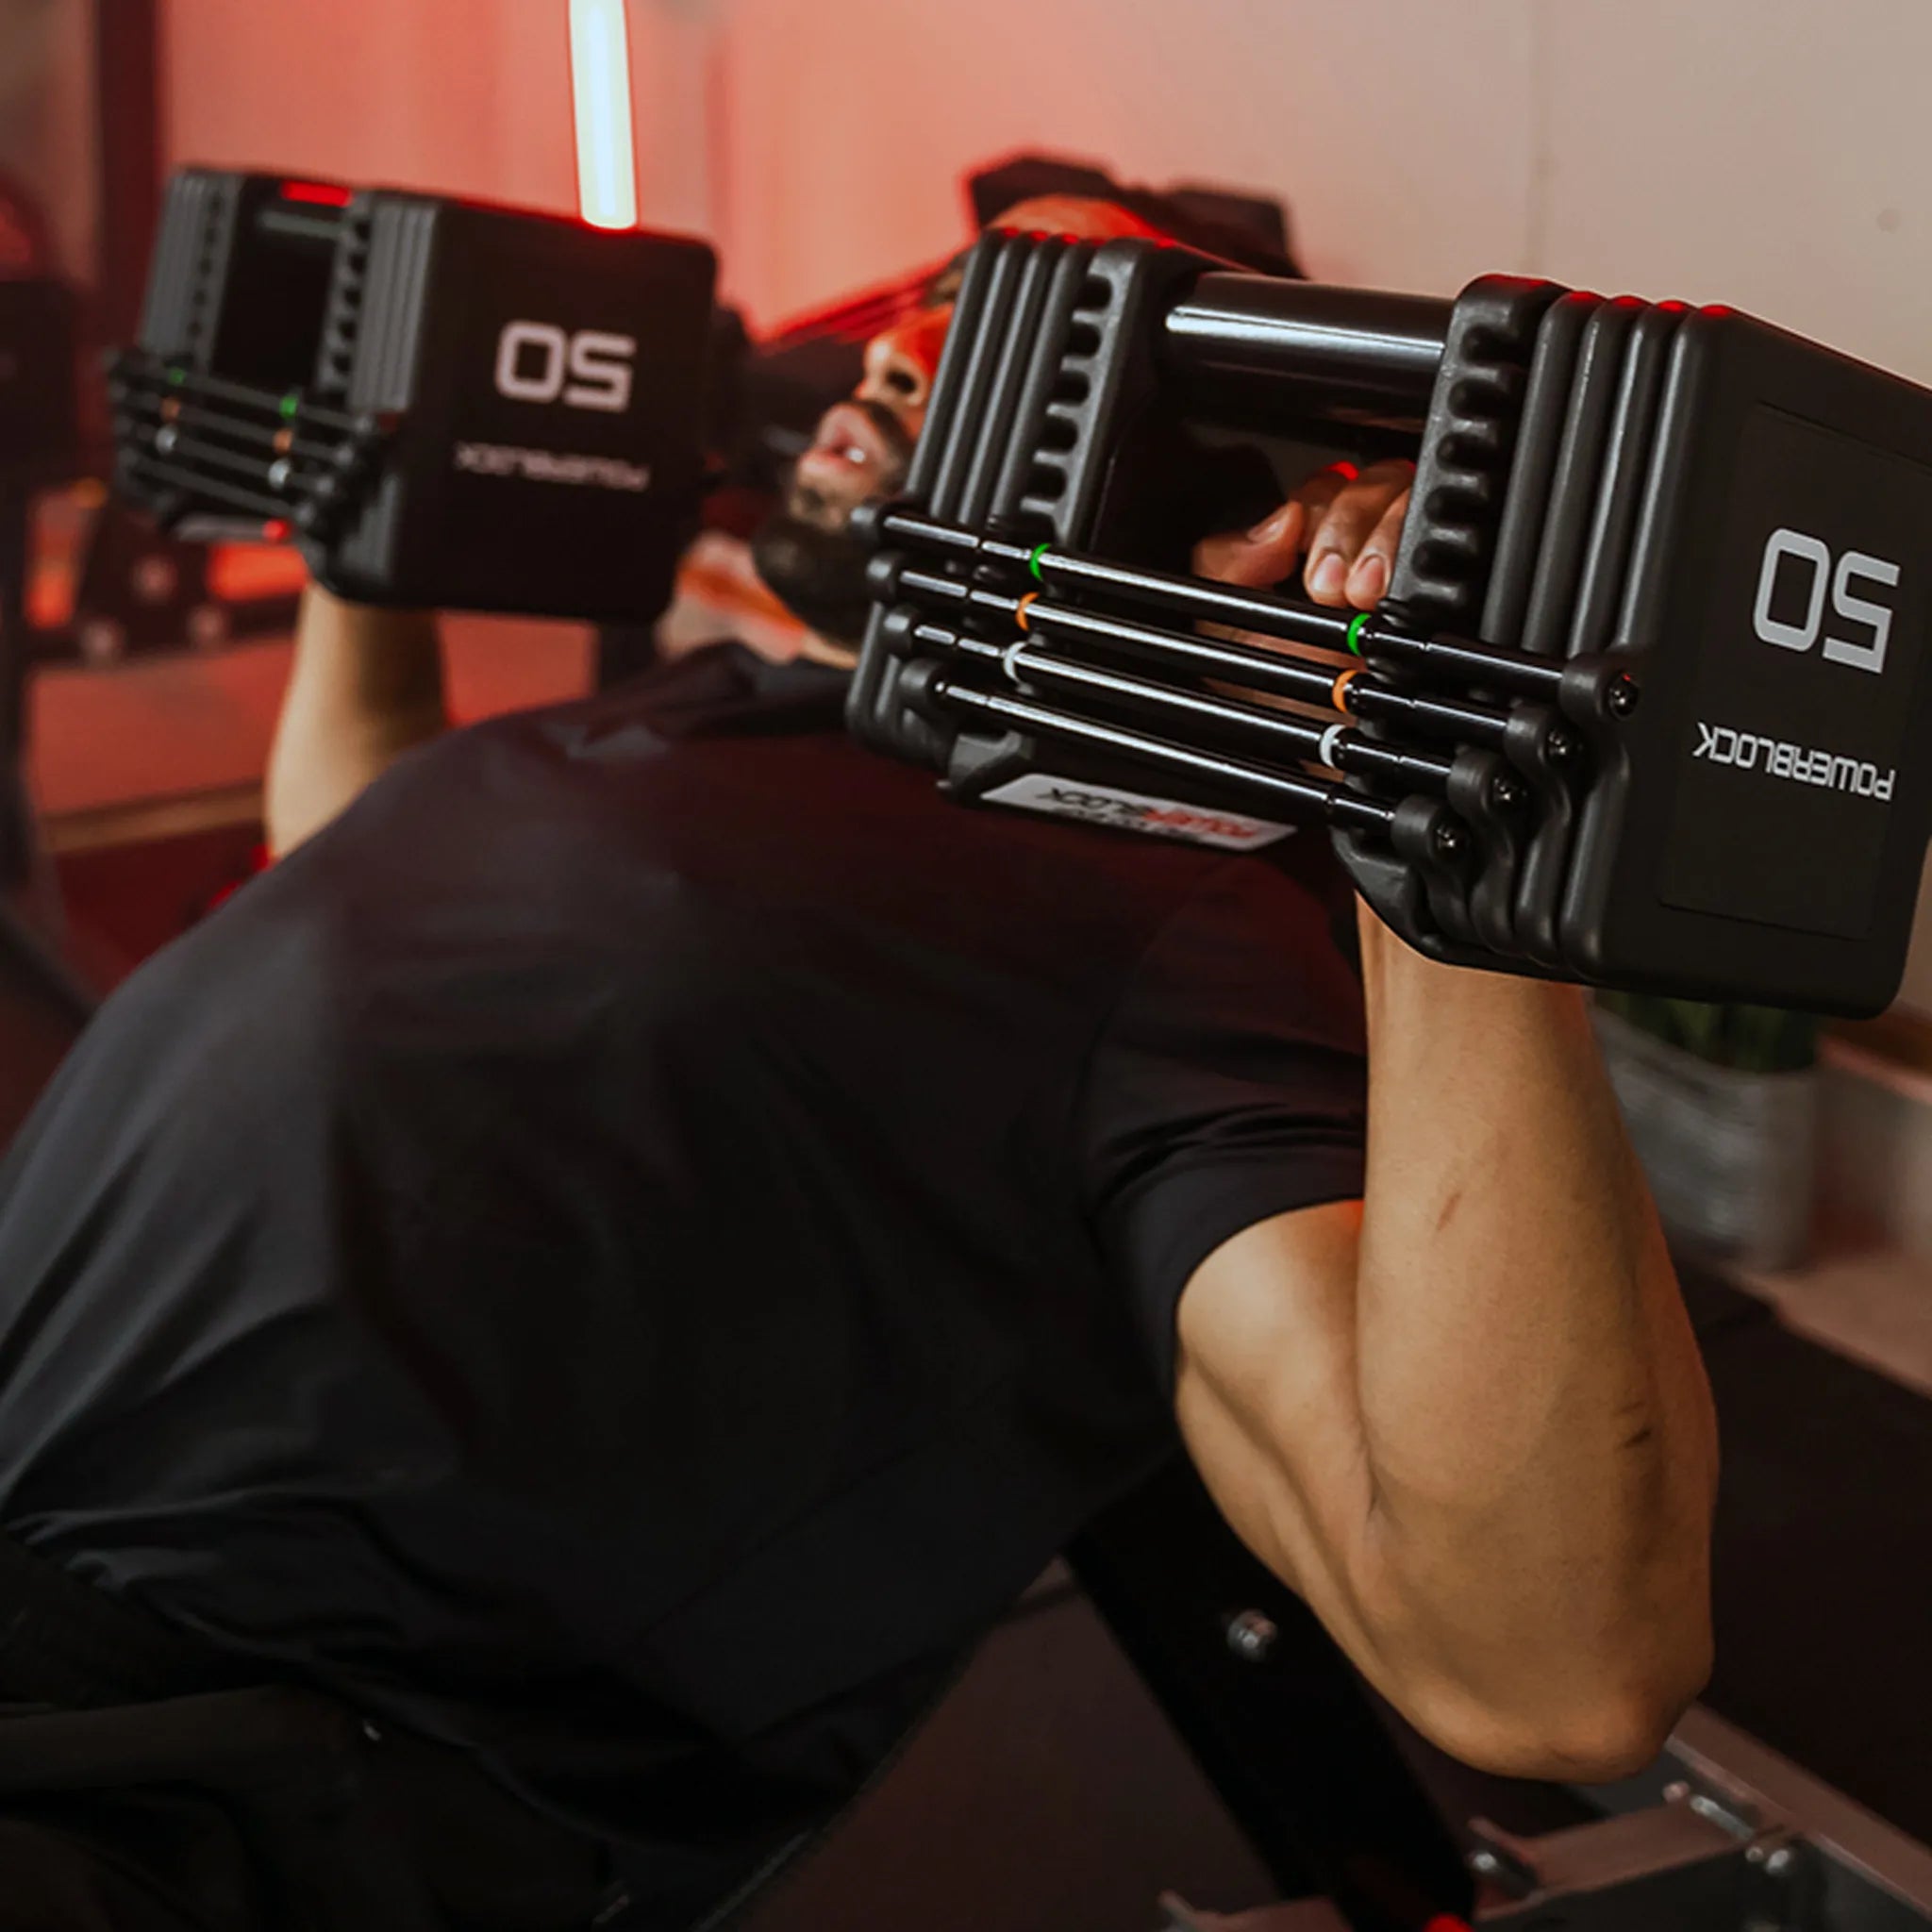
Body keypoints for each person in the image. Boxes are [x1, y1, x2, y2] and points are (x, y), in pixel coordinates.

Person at [0, 193, 1718, 1930]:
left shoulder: (1164, 924)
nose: (897, 345)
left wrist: (1440, 783)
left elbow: (1551, 1668)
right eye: (926, 300)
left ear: (1229, 508)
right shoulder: (688, 714)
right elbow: (346, 884)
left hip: (198, 1769)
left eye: (1006, 334)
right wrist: (377, 532)